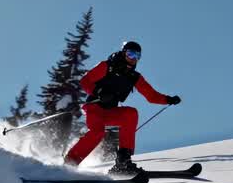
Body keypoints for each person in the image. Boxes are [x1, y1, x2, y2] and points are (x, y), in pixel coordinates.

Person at [64, 41, 181, 175]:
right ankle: (70, 163)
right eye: (130, 53)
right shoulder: (107, 66)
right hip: (95, 108)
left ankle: (123, 162)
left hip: (110, 111)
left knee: (130, 114)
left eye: (137, 55)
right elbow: (85, 81)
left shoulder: (134, 77)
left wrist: (168, 99)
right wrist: (99, 92)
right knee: (97, 132)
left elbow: (151, 96)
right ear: (123, 52)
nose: (133, 58)